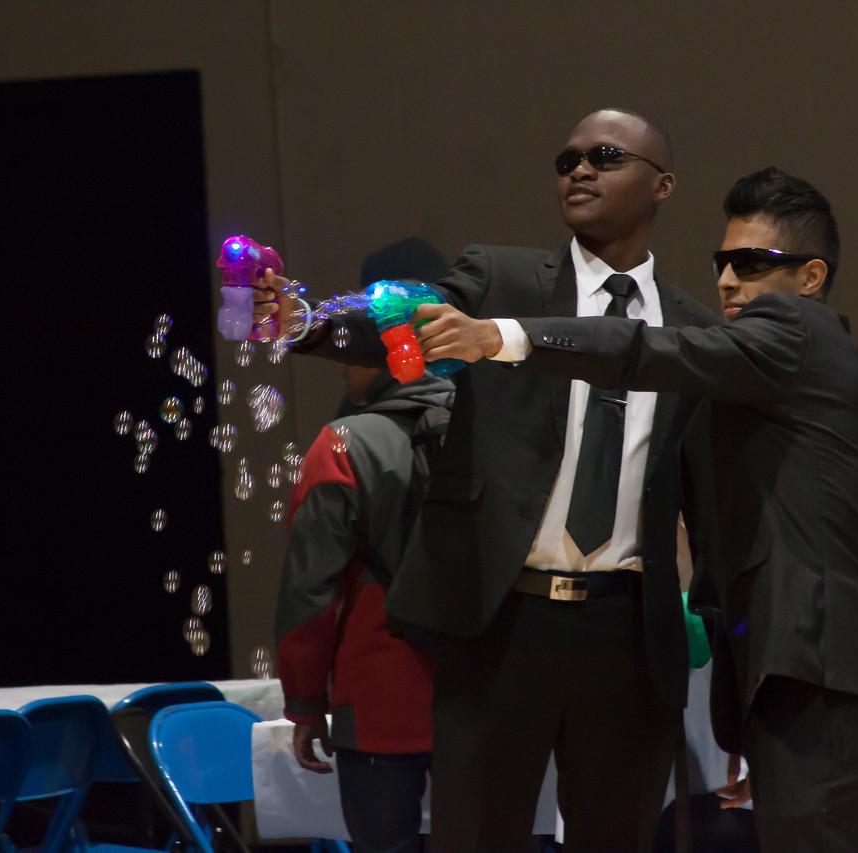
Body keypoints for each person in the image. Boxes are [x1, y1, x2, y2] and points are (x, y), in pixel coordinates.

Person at [415, 166, 858, 852]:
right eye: (723, 262)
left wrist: (502, 337)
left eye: (751, 264)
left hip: (829, 693)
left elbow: (647, 345)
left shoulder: (795, 331)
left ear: (810, 277)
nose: (727, 281)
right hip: (812, 696)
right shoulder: (796, 376)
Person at [259, 107, 720, 852]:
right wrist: (310, 325)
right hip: (504, 621)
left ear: (662, 183)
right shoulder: (502, 277)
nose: (578, 169)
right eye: (566, 158)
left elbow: (706, 500)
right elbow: (402, 324)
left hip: (628, 631)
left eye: (604, 155)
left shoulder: (696, 331)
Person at [274, 239, 451, 853]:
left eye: (347, 354)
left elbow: (309, 592)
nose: (342, 369)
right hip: (481, 696)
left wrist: (303, 702)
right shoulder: (493, 430)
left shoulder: (342, 444)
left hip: (377, 697)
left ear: (380, 354)